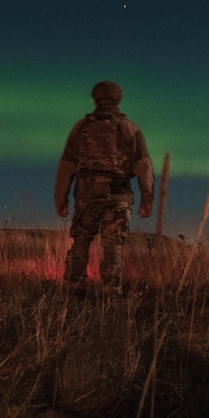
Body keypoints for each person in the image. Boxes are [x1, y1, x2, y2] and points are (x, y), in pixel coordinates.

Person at [54, 81, 154, 291]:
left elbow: (67, 165)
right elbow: (143, 166)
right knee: (114, 246)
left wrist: (61, 199)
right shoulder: (130, 129)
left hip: (86, 194)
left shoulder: (81, 127)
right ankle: (111, 294)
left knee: (80, 241)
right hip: (118, 196)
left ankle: (72, 288)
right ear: (118, 99)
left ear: (96, 98)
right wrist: (147, 198)